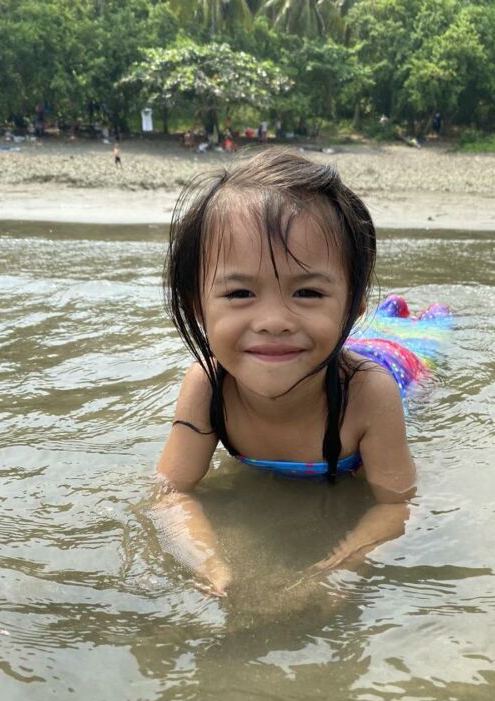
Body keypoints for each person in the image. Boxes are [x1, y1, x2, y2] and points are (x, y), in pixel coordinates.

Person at [156, 148, 450, 595]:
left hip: (387, 367)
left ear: (352, 306)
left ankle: (412, 318)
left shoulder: (370, 395)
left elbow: (398, 505)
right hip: (317, 349)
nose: (273, 321)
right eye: (239, 294)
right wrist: (209, 565)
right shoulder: (207, 386)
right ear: (199, 306)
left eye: (308, 292)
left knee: (426, 346)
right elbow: (171, 494)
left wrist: (338, 573)